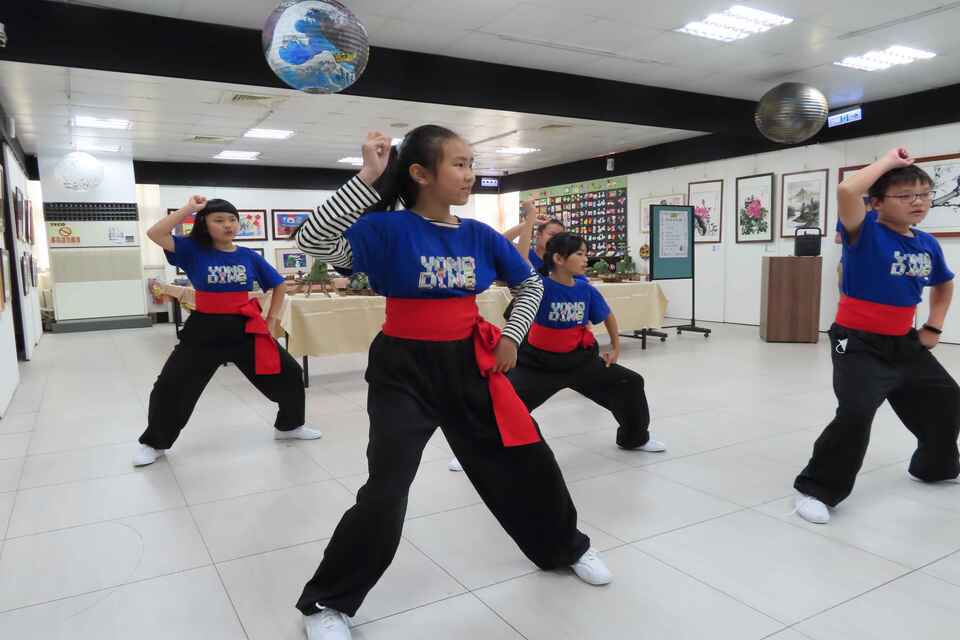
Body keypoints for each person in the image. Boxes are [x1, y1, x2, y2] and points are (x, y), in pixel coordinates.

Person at [293, 127, 610, 640]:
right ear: (420, 174)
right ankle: (328, 603)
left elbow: (528, 283)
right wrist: (368, 177)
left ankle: (564, 547)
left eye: (471, 163)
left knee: (525, 457)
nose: (470, 174)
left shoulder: (479, 234)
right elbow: (311, 241)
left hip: (471, 362)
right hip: (403, 368)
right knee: (387, 487)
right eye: (459, 164)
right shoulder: (385, 229)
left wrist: (512, 336)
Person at [793, 147, 960, 524]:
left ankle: (934, 467)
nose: (918, 202)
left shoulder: (926, 243)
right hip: (857, 342)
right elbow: (846, 193)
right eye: (905, 195)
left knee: (946, 398)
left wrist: (933, 325)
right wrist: (888, 162)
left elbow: (944, 285)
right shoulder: (864, 231)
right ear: (878, 203)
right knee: (856, 411)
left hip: (904, 342)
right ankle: (817, 489)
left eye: (924, 194)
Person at [451, 233, 664, 476]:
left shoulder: (586, 289)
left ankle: (635, 438)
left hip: (580, 362)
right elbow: (514, 315)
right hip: (538, 365)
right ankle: (474, 453)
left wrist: (615, 348)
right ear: (559, 259)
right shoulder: (539, 287)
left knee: (631, 382)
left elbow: (608, 317)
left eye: (586, 253)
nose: (586, 259)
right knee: (499, 399)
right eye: (580, 254)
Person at [133, 198, 320, 467]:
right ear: (205, 224)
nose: (227, 225)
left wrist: (271, 320)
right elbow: (155, 233)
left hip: (244, 326)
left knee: (289, 373)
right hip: (203, 330)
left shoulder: (248, 256)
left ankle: (289, 427)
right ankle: (154, 443)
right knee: (172, 385)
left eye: (231, 219)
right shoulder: (192, 250)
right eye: (218, 220)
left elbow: (278, 285)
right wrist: (189, 209)